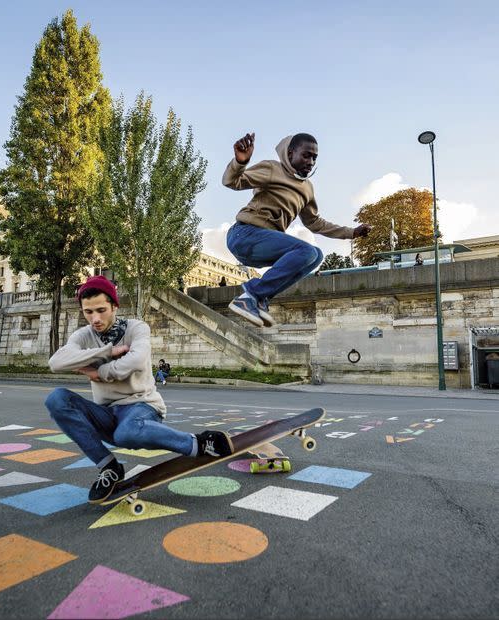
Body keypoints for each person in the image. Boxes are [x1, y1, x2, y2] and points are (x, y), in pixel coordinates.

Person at [44, 275, 233, 504]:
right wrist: (107, 352)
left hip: (142, 407)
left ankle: (199, 443)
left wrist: (97, 372)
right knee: (57, 399)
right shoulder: (83, 336)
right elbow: (56, 363)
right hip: (107, 413)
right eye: (88, 312)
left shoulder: (136, 328)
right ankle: (109, 468)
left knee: (126, 433)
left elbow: (135, 360)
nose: (95, 319)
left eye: (101, 310)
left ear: (115, 305)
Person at [223, 132, 371, 327]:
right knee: (307, 251)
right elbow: (231, 182)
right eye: (306, 155)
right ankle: (251, 294)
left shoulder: (307, 189)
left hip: (261, 247)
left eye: (314, 158)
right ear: (291, 153)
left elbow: (315, 223)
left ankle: (259, 298)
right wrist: (240, 162)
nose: (310, 162)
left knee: (316, 256)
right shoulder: (271, 168)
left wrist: (351, 232)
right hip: (244, 234)